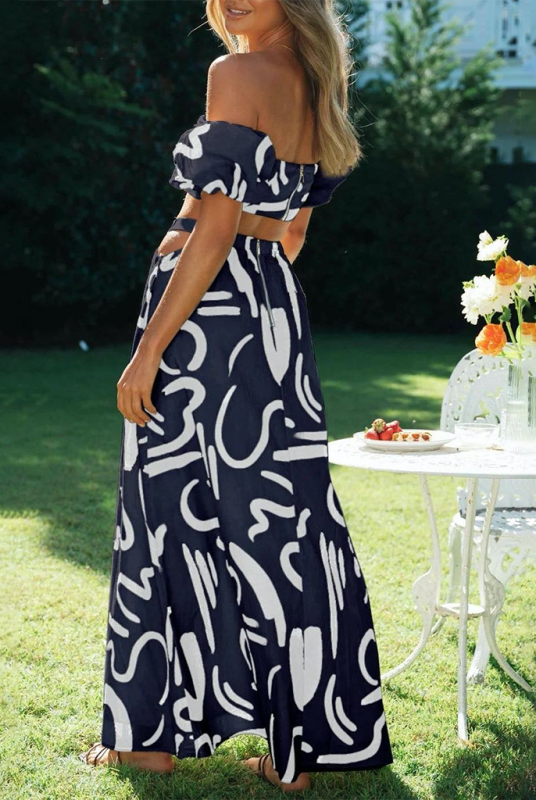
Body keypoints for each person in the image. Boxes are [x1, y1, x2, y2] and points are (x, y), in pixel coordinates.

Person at [79, 0, 393, 791]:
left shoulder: (236, 72)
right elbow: (291, 234)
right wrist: (255, 304)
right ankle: (297, 753)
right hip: (270, 314)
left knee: (166, 509)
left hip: (204, 319)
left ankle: (149, 738)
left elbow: (214, 230)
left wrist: (149, 351)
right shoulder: (318, 85)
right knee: (283, 521)